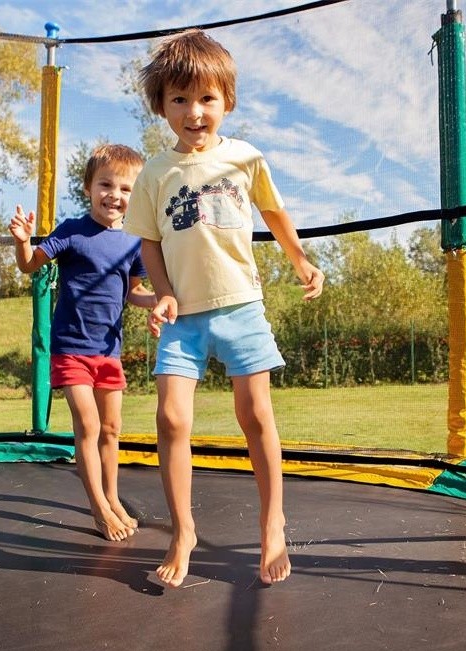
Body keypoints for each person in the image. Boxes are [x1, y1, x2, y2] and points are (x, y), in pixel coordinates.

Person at [124, 29, 325, 586]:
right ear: (161, 106)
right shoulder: (155, 173)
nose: (194, 112)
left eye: (206, 99)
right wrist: (162, 291)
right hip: (183, 317)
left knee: (255, 415)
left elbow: (275, 214)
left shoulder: (245, 157)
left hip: (241, 307)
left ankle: (272, 521)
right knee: (170, 418)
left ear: (227, 101)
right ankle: (183, 530)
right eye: (180, 100)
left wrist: (301, 261)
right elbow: (148, 244)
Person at [9, 144, 156, 542]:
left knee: (111, 428)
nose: (115, 195)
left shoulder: (133, 242)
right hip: (72, 347)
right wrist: (23, 240)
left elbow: (134, 293)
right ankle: (98, 509)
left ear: (135, 197)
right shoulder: (71, 231)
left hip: (110, 351)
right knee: (88, 425)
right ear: (88, 187)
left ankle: (112, 497)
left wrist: (159, 303)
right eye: (106, 184)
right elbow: (29, 265)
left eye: (126, 189)